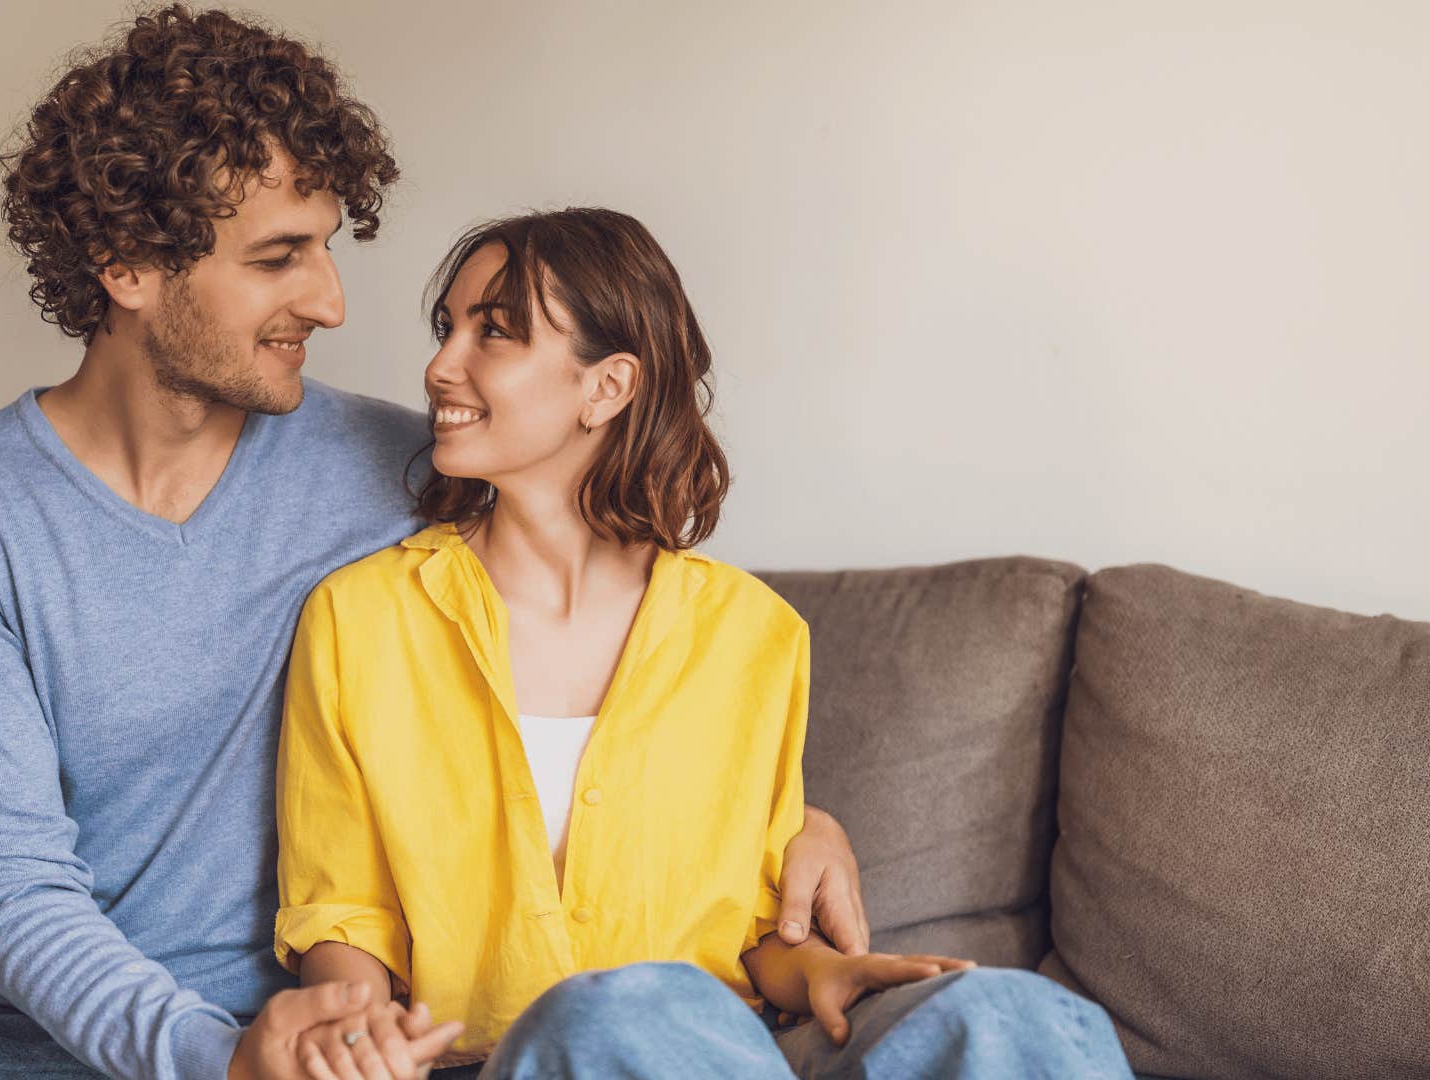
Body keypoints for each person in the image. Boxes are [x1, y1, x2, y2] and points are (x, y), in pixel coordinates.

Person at [0, 9, 872, 1080]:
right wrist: (213, 1055)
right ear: (128, 268)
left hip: (358, 1041)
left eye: (328, 249)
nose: (329, 302)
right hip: (68, 1037)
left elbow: (634, 631)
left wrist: (797, 827)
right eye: (280, 258)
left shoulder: (409, 468)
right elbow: (5, 882)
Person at [272, 209, 1136, 1080]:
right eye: (446, 327)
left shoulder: (752, 633)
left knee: (1013, 1018)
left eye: (493, 332)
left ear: (606, 388)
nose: (438, 366)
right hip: (511, 1057)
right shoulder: (361, 618)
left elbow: (754, 928)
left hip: (719, 1052)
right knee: (620, 1014)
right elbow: (341, 909)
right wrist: (357, 1034)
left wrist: (825, 972)